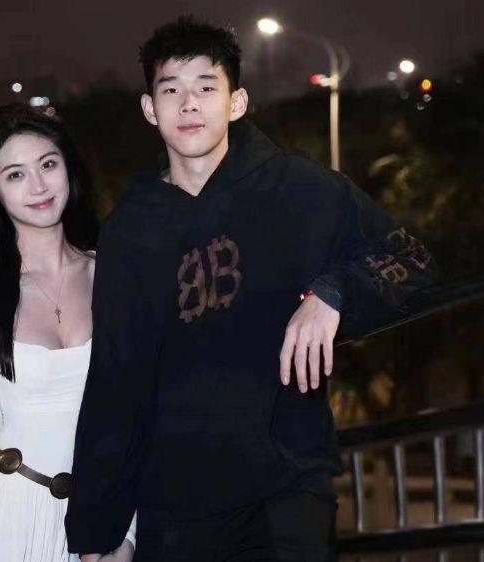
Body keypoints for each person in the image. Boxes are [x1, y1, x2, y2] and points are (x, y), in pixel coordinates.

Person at [66, 17, 437, 561]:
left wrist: (332, 293)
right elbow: (116, 382)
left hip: (288, 486)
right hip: (177, 502)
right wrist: (98, 530)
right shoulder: (130, 231)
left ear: (236, 102)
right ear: (150, 108)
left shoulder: (301, 189)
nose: (188, 105)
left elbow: (414, 259)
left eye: (206, 87)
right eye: (171, 90)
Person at [0, 104, 135, 562]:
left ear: (67, 168)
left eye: (48, 165)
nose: (38, 186)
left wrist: (128, 531)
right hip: (4, 521)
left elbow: (137, 418)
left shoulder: (115, 276)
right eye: (15, 174)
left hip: (99, 519)